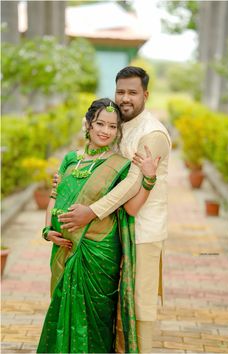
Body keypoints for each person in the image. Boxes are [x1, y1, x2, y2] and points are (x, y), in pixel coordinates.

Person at [57, 67, 171, 353]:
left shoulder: (153, 133)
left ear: (145, 95)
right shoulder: (121, 125)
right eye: (120, 91)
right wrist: (66, 178)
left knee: (140, 305)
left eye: (133, 93)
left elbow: (132, 183)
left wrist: (91, 211)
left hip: (143, 231)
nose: (125, 98)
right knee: (117, 305)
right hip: (114, 229)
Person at [37, 98, 160, 354]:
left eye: (112, 127)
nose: (105, 131)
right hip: (65, 250)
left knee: (96, 319)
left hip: (99, 252)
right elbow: (53, 199)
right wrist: (48, 232)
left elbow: (131, 208)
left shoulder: (121, 165)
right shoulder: (70, 160)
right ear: (88, 125)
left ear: (118, 131)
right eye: (100, 124)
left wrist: (148, 178)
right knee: (62, 312)